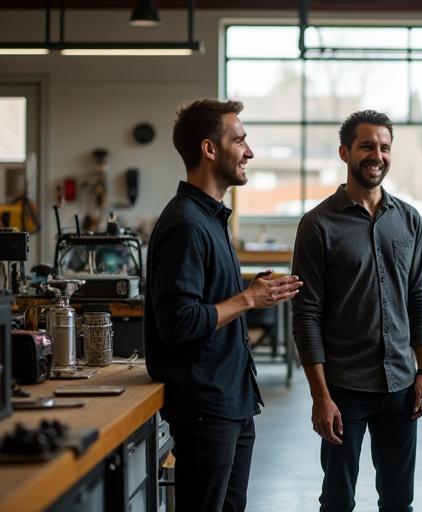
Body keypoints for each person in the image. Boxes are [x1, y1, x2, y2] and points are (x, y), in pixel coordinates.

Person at [145, 98, 303, 512]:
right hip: (205, 408)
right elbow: (177, 322)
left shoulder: (210, 218)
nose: (248, 152)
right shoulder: (186, 224)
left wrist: (249, 292)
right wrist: (249, 298)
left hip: (232, 400)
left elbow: (209, 302)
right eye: (240, 140)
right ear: (209, 149)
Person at [292, 110, 422, 512]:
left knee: (398, 501)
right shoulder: (317, 225)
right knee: (337, 500)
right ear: (345, 152)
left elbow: (419, 297)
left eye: (385, 147)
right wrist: (320, 396)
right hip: (344, 390)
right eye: (367, 146)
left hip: (402, 387)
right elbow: (306, 316)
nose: (377, 155)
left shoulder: (409, 219)